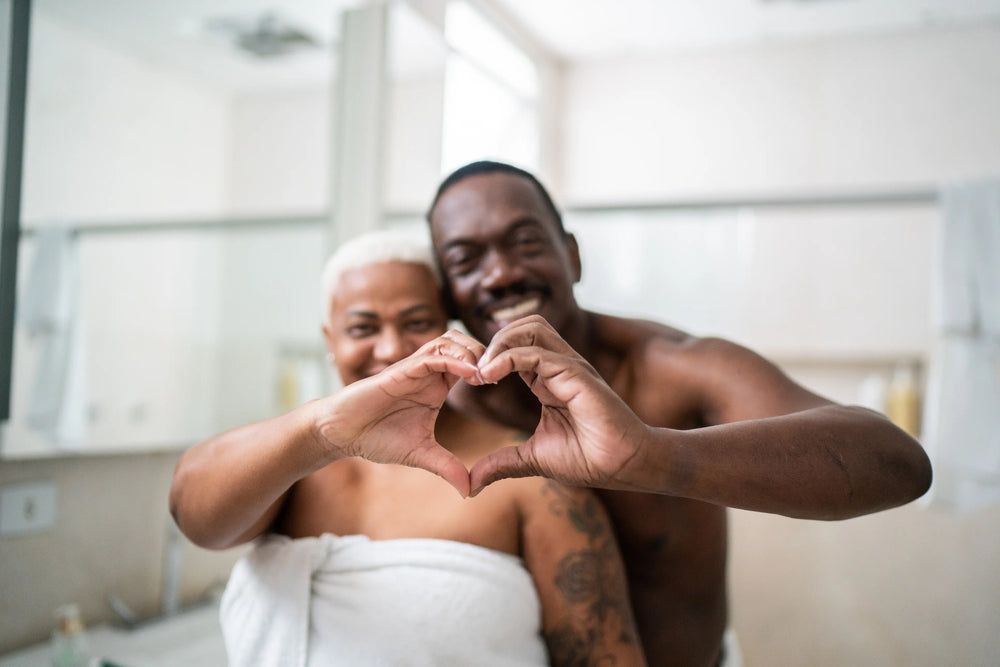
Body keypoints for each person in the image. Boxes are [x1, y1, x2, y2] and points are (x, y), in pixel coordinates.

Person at [423, 160, 934, 667]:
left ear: (572, 255)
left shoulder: (671, 369)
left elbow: (898, 463)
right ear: (445, 292)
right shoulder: (443, 413)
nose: (503, 273)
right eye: (466, 260)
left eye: (526, 242)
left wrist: (652, 456)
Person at [168, 229, 645, 666]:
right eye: (362, 328)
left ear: (450, 332)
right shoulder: (292, 462)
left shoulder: (527, 476)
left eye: (416, 322)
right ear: (329, 341)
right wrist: (322, 430)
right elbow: (195, 519)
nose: (391, 349)